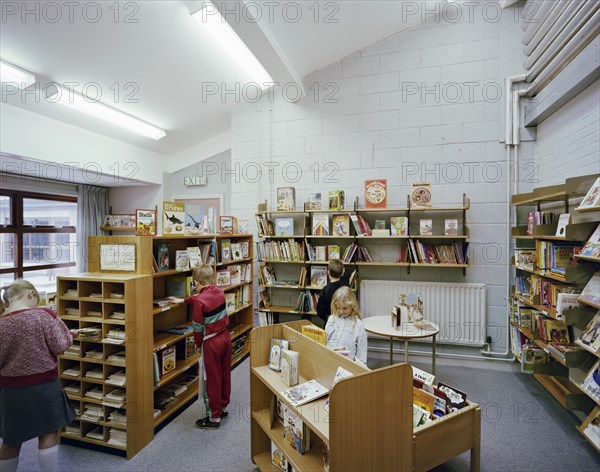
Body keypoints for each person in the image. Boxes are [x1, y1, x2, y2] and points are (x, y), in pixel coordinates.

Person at [0, 279, 80, 472]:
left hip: (11, 389)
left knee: (12, 439)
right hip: (44, 385)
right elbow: (60, 346)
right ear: (31, 294)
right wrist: (71, 335)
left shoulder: (2, 323)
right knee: (48, 433)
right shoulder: (43, 315)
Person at [168, 264, 231, 429]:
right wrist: (183, 300)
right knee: (224, 374)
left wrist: (197, 345)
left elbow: (197, 327)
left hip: (211, 342)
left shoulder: (200, 301)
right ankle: (223, 407)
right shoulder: (219, 292)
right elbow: (199, 298)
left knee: (211, 379)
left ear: (195, 282)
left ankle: (213, 417)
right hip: (225, 337)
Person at [325, 286, 368, 365]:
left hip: (349, 365)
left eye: (345, 308)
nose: (341, 311)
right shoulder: (331, 319)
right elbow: (325, 341)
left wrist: (362, 368)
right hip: (330, 362)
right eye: (338, 308)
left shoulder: (358, 325)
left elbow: (362, 352)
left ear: (352, 305)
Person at [315, 259, 348, 324]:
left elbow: (320, 311)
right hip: (345, 321)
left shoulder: (326, 289)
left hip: (330, 323)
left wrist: (328, 319)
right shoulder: (345, 286)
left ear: (328, 273)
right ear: (342, 273)